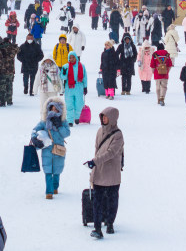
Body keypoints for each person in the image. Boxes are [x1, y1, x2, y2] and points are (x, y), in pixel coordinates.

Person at [84, 107, 124, 240]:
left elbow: (111, 153)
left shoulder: (118, 135)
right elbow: (97, 150)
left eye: (106, 117)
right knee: (97, 201)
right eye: (102, 116)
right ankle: (97, 228)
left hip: (112, 173)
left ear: (112, 118)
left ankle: (110, 223)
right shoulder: (99, 131)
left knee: (112, 200)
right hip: (100, 171)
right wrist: (94, 167)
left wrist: (95, 161)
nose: (103, 119)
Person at [30, 97, 70, 199]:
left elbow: (67, 133)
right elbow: (34, 130)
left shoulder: (63, 121)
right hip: (47, 149)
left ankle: (55, 187)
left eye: (56, 109)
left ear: (60, 110)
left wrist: (59, 125)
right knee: (47, 170)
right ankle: (49, 191)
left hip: (58, 149)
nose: (54, 111)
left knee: (57, 170)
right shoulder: (44, 122)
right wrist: (34, 138)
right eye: (52, 109)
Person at [60, 51, 87, 127]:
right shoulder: (66, 66)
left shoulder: (82, 66)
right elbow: (62, 77)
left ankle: (77, 117)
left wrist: (85, 87)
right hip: (69, 87)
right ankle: (70, 120)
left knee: (79, 104)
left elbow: (85, 77)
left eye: (73, 57)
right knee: (69, 104)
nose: (72, 59)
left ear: (76, 57)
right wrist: (64, 73)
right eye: (70, 58)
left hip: (79, 87)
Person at [0, 36, 18, 106]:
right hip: (10, 69)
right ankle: (9, 100)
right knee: (9, 85)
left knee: (2, 86)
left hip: (2, 69)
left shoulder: (0, 48)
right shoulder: (12, 47)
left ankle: (2, 101)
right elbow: (18, 49)